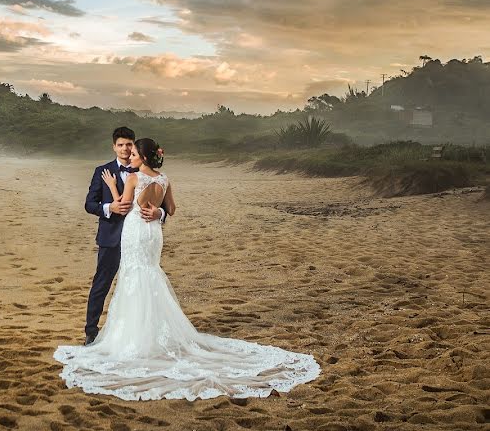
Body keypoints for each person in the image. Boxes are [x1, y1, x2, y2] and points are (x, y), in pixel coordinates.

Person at [55, 137, 320, 401]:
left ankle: (136, 337)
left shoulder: (134, 178)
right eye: (127, 149)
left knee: (134, 276)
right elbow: (170, 208)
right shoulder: (164, 179)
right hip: (153, 235)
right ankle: (140, 332)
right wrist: (158, 213)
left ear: (144, 157)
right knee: (149, 274)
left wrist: (113, 187)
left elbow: (126, 208)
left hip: (136, 232)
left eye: (134, 152)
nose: (130, 155)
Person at [82, 127, 166, 346]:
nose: (125, 149)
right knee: (102, 284)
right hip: (111, 237)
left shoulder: (146, 171)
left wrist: (160, 213)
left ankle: (142, 333)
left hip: (139, 238)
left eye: (129, 144)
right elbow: (90, 204)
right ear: (114, 147)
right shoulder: (102, 171)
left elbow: (163, 205)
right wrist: (110, 207)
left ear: (134, 146)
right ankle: (91, 331)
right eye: (120, 145)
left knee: (141, 283)